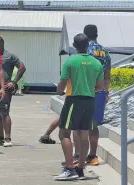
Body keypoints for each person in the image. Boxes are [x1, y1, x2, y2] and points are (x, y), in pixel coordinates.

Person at [54, 33, 104, 181]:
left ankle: (70, 168)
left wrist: (59, 89)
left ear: (74, 46)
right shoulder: (97, 63)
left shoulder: (70, 61)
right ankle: (80, 169)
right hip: (90, 101)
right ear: (87, 45)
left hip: (74, 100)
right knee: (84, 134)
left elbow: (61, 85)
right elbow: (100, 87)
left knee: (64, 133)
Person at [83, 24, 112, 166]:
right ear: (97, 34)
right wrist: (106, 92)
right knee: (94, 126)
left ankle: (79, 156)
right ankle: (93, 156)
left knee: (81, 126)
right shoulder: (104, 52)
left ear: (84, 36)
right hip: (100, 93)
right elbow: (107, 75)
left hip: (85, 92)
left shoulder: (85, 50)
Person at [0, 36, 26, 147]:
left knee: (4, 112)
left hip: (5, 88)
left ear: (1, 44)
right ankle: (0, 137)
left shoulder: (9, 56)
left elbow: (22, 67)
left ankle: (7, 138)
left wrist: (14, 82)